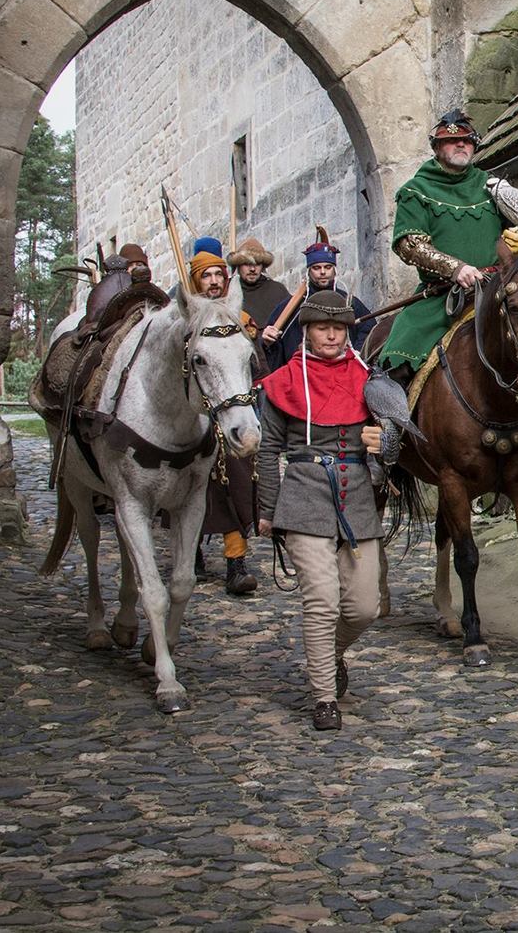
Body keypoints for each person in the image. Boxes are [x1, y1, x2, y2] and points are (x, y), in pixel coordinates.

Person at [255, 290, 385, 731]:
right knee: (323, 601)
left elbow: (397, 441)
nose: (331, 336)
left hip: (358, 500)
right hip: (304, 497)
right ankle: (324, 696)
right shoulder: (284, 382)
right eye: (321, 328)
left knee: (365, 607)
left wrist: (385, 443)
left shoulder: (370, 379)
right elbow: (268, 450)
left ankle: (330, 654)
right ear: (306, 333)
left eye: (338, 329)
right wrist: (267, 510)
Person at [371, 108, 518, 389]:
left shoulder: (491, 186)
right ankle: (392, 428)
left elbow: (517, 231)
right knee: (398, 357)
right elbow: (409, 244)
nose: (461, 144)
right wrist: (455, 268)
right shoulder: (416, 190)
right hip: (442, 296)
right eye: (451, 141)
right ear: (437, 147)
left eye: (467, 140)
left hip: (497, 290)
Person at [189, 247, 261, 595]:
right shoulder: (185, 323)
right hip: (196, 418)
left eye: (219, 275)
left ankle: (236, 561)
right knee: (192, 486)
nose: (214, 282)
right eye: (207, 275)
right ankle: (191, 555)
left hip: (231, 414)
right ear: (195, 281)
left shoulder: (239, 319)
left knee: (235, 483)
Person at [261, 236, 374, 373]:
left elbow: (369, 328)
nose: (322, 272)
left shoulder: (349, 303)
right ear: (309, 270)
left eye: (328, 267)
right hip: (301, 374)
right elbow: (273, 345)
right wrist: (268, 341)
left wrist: (357, 352)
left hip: (343, 373)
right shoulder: (289, 307)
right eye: (316, 267)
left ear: (334, 270)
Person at [228, 237, 291, 338]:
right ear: (238, 266)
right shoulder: (228, 290)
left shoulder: (277, 291)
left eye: (257, 264)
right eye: (247, 264)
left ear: (263, 266)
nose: (252, 269)